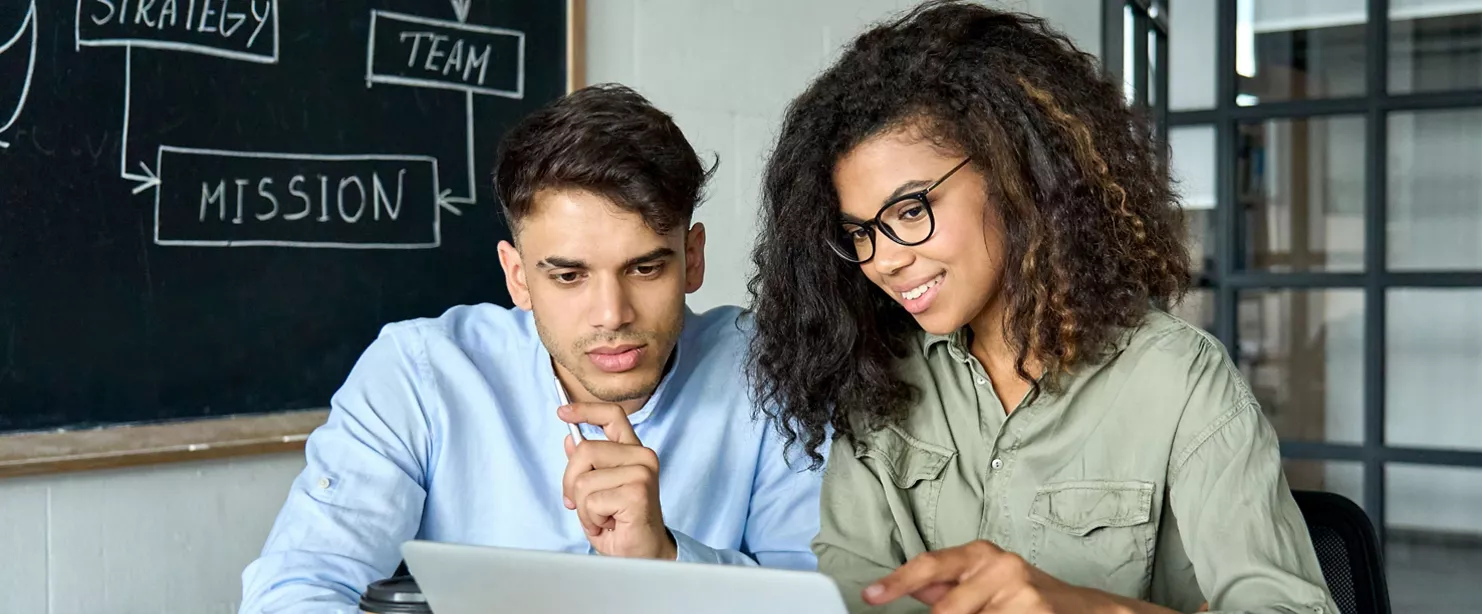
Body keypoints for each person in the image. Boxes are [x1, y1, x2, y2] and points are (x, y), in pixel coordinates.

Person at [746, 2, 1338, 613]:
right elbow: (851, 598)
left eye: (910, 211)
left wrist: (1084, 607)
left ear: (1015, 173)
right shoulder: (877, 381)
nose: (883, 260)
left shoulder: (1179, 382)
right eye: (861, 233)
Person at [240, 84, 822, 613]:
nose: (612, 314)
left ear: (692, 259)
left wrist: (667, 561)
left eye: (645, 268)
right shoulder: (419, 373)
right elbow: (298, 588)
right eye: (568, 276)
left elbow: (816, 602)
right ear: (517, 277)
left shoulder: (769, 369)